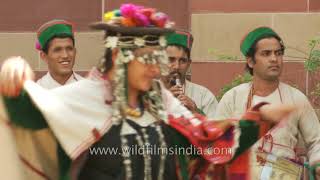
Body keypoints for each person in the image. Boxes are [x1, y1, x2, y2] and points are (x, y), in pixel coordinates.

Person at [0, 5, 295, 180]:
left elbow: (209, 144)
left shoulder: (163, 106)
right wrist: (15, 83)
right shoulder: (83, 99)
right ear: (120, 58)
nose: (157, 69)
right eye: (148, 59)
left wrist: (255, 122)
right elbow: (29, 123)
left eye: (159, 59)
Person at [215, 26, 320, 179]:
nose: (274, 59)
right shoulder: (233, 98)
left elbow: (316, 140)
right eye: (266, 53)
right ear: (251, 61)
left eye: (278, 53)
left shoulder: (296, 98)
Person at [164, 30, 218, 118]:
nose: (177, 66)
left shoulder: (203, 95)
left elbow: (217, 128)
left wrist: (195, 111)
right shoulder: (149, 93)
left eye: (183, 61)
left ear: (189, 64)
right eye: (171, 60)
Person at [36, 19, 83, 89]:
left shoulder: (88, 89)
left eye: (69, 49)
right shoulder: (36, 92)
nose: (65, 55)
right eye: (57, 50)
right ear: (44, 56)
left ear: (75, 52)